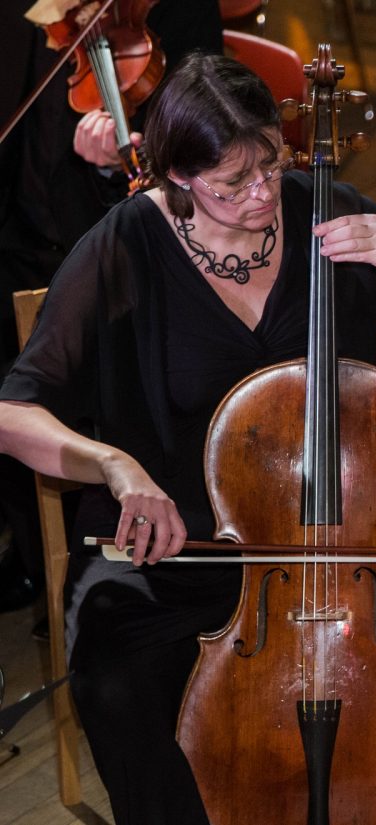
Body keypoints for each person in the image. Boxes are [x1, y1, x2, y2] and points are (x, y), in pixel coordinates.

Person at [0, 54, 376, 825]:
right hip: (176, 560)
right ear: (177, 178)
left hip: (343, 551)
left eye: (268, 165)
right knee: (118, 677)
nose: (260, 195)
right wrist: (116, 467)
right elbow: (15, 411)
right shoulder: (125, 246)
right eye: (230, 184)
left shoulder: (324, 210)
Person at [0, 0, 223, 617]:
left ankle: (81, 569)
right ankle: (29, 551)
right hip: (15, 227)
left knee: (97, 388)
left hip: (112, 242)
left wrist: (119, 159)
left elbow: (208, 127)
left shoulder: (168, 7)